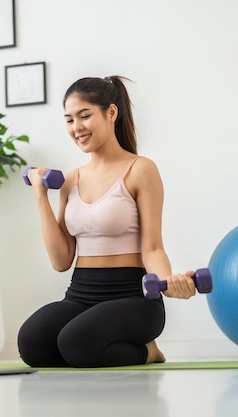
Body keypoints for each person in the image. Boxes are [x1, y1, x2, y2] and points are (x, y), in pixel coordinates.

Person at [17, 75, 198, 368]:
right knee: (32, 343)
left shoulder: (140, 170)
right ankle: (94, 347)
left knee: (76, 343)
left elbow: (152, 247)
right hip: (80, 294)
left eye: (85, 116)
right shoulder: (70, 180)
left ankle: (147, 351)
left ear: (111, 113)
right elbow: (61, 260)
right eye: (69, 120)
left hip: (134, 298)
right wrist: (40, 196)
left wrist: (167, 283)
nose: (77, 128)